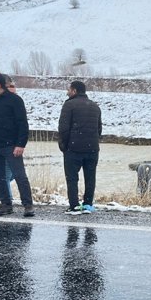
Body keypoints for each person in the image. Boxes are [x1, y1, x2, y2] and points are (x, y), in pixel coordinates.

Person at [0, 72, 34, 217]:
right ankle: (5, 205)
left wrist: (20, 144)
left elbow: (22, 124)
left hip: (11, 145)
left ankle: (28, 205)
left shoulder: (15, 100)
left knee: (20, 176)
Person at [58, 80, 102, 214]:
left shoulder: (69, 105)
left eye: (69, 90)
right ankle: (88, 204)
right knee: (90, 177)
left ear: (74, 91)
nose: (67, 92)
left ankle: (74, 205)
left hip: (74, 148)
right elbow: (99, 129)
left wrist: (63, 146)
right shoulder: (95, 106)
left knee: (72, 178)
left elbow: (63, 128)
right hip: (92, 148)